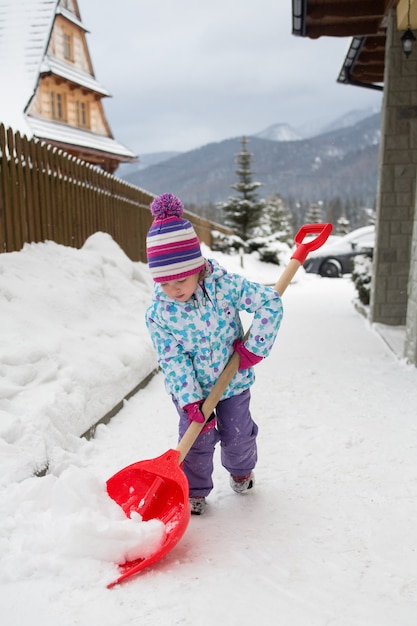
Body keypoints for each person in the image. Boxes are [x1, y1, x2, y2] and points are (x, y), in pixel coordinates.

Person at [145, 193, 283, 515]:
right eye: (164, 283)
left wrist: (253, 349)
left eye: (181, 279)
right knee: (195, 444)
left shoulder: (226, 287)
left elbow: (269, 302)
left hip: (233, 382)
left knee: (238, 436)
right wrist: (190, 399)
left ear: (197, 268)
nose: (174, 289)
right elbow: (172, 359)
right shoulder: (159, 313)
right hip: (193, 392)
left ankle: (241, 471)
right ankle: (193, 492)